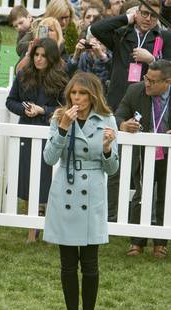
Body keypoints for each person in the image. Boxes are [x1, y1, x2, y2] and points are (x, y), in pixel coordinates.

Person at [43, 72, 119, 310]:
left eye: (83, 94)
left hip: (93, 191)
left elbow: (113, 169)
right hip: (65, 189)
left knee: (90, 265)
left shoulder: (107, 120)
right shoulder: (59, 117)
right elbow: (50, 158)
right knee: (67, 265)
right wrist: (63, 129)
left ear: (93, 95)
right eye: (73, 94)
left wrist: (108, 149)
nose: (77, 99)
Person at [91, 1, 171, 221]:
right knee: (114, 157)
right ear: (137, 13)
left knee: (142, 163)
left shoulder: (163, 37)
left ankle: (145, 214)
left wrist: (153, 59)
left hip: (149, 104)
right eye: (144, 14)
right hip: (119, 101)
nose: (148, 19)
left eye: (153, 16)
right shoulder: (121, 33)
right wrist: (126, 18)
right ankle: (112, 214)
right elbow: (96, 30)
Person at [7, 38, 69, 242]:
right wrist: (25, 109)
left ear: (51, 58)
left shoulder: (61, 79)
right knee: (27, 179)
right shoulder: (23, 75)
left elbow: (65, 107)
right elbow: (10, 101)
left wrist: (43, 111)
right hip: (26, 130)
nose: (39, 59)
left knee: (46, 179)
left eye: (43, 55)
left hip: (49, 132)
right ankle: (31, 231)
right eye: (36, 55)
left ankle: (46, 224)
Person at [115, 60, 171, 258]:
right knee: (141, 193)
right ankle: (137, 241)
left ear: (168, 82)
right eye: (146, 78)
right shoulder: (135, 91)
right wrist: (123, 125)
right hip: (142, 153)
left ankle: (160, 243)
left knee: (165, 194)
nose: (147, 83)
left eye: (153, 82)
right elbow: (118, 115)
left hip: (168, 155)